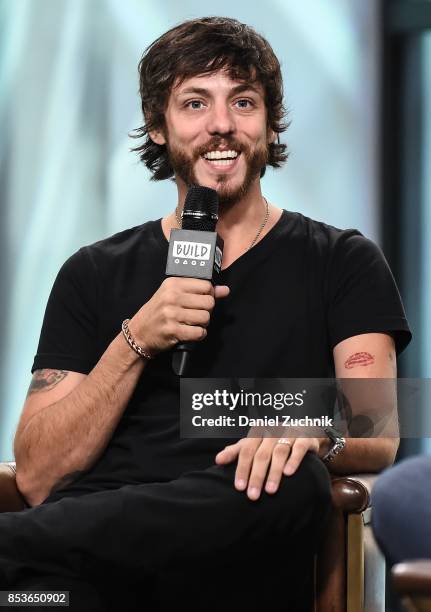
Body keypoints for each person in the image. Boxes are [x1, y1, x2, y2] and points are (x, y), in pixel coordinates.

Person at [0, 16, 411, 612]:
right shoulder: (91, 272)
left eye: (243, 102)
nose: (222, 124)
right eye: (195, 102)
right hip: (78, 582)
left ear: (269, 125)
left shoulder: (341, 259)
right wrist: (136, 338)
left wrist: (308, 427)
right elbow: (36, 473)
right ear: (157, 126)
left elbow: (378, 425)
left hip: (236, 559)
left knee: (294, 481)